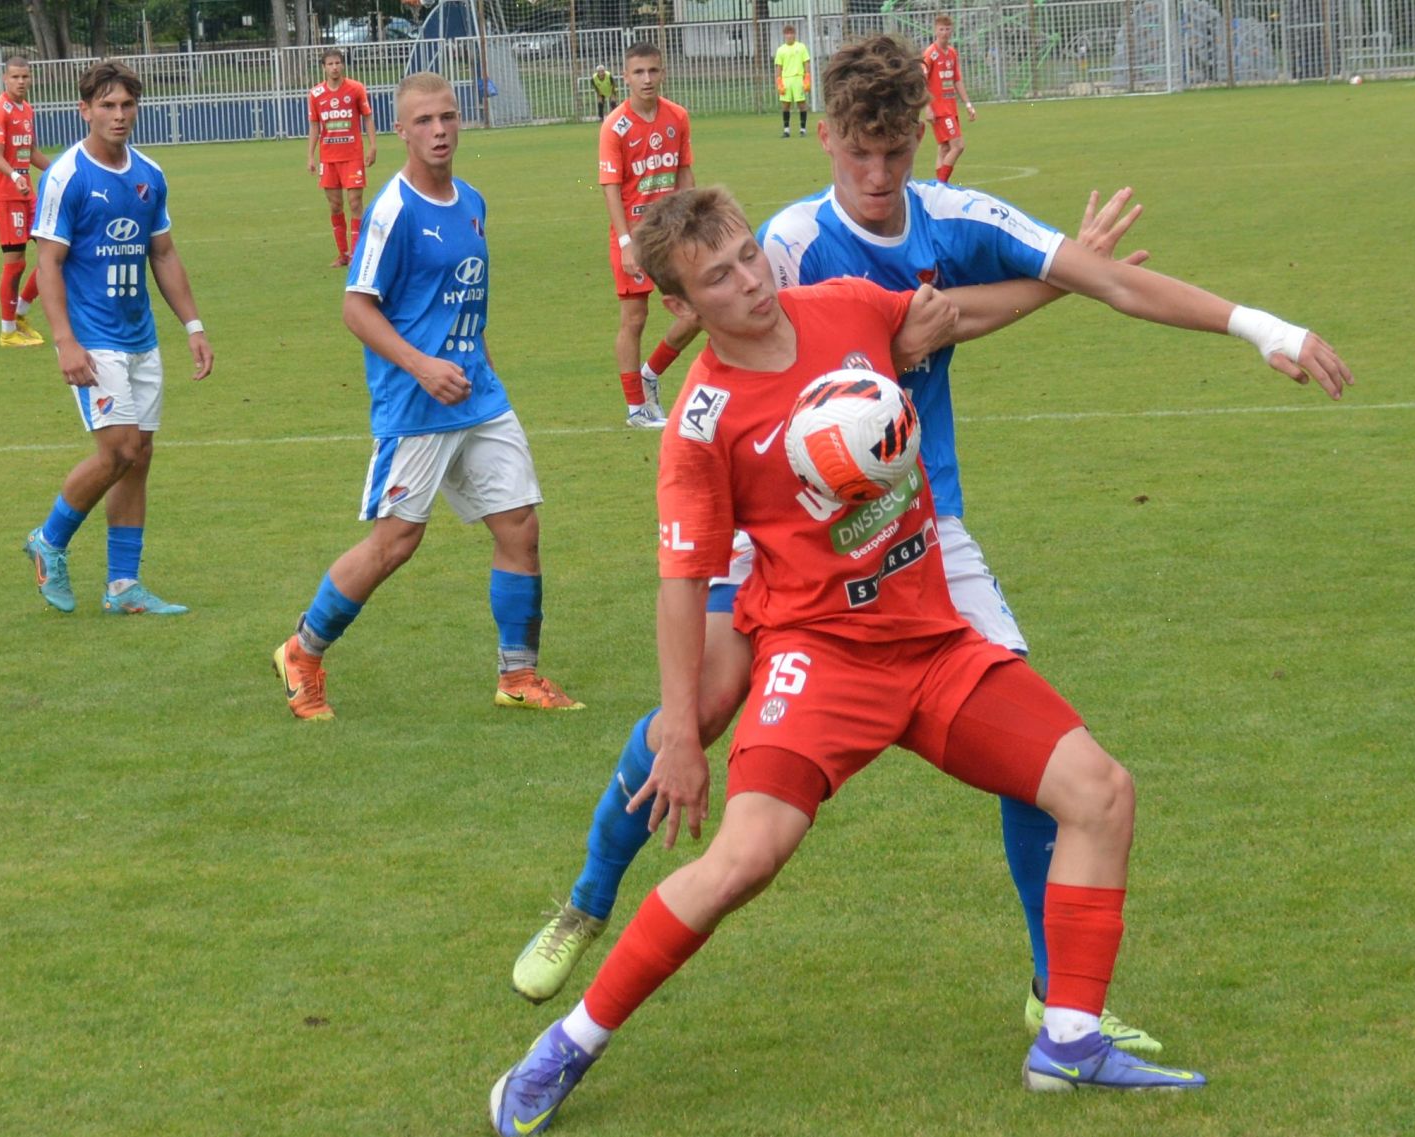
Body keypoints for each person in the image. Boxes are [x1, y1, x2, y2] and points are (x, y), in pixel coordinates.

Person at [508, 31, 1352, 1054]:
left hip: (916, 522)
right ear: (822, 141)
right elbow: (711, 339)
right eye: (855, 156)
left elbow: (1060, 297)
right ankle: (588, 901)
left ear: (922, 141)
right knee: (704, 700)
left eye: (894, 155)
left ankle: (1057, 1001)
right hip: (760, 524)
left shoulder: (953, 218)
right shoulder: (777, 249)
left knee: (1032, 745)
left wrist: (1262, 327)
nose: (874, 178)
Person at [489, 188, 1223, 1135]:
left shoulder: (843, 304)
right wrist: (679, 730)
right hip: (822, 660)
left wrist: (1064, 273)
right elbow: (684, 581)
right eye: (720, 276)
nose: (752, 280)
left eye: (750, 255)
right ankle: (564, 1050)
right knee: (744, 859)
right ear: (683, 306)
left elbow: (951, 315)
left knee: (1100, 790)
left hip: (936, 645)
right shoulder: (703, 424)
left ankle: (1069, 1041)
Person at [272, 72, 583, 721]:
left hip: (479, 394)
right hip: (417, 403)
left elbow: (464, 302)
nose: (439, 130)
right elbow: (356, 308)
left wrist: (484, 371)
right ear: (400, 131)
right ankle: (303, 649)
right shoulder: (393, 210)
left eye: (447, 117)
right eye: (424, 121)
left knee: (520, 525)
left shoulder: (472, 201)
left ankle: (518, 674)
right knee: (396, 542)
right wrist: (421, 367)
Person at [22, 61, 214, 617]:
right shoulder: (66, 175)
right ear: (85, 110)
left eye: (127, 105)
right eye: (106, 105)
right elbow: (50, 262)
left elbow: (164, 252)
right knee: (119, 450)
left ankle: (123, 585)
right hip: (92, 338)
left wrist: (194, 327)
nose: (118, 115)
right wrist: (64, 340)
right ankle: (49, 540)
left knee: (141, 456)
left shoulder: (149, 174)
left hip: (141, 337)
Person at [598, 41, 702, 429]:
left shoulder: (677, 117)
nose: (647, 79)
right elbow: (611, 187)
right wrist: (626, 243)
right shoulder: (615, 126)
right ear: (625, 77)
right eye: (639, 72)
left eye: (653, 71)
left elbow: (684, 174)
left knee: (699, 311)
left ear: (663, 72)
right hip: (634, 236)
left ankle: (651, 372)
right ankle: (635, 408)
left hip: (671, 232)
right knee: (635, 318)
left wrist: (692, 225)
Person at [0, 55, 52, 347]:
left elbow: (31, 152)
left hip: (27, 194)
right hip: (8, 195)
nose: (21, 82)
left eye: (25, 76)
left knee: (54, 253)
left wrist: (61, 172)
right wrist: (15, 177)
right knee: (15, 265)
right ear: (5, 78)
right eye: (15, 77)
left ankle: (22, 312)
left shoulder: (27, 109)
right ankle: (8, 331)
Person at [307, 48, 378, 268]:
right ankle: (343, 254)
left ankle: (357, 254)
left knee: (355, 202)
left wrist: (372, 145)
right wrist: (310, 155)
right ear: (324, 67)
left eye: (338, 63)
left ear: (343, 65)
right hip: (328, 158)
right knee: (335, 205)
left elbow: (367, 117)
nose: (335, 67)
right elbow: (315, 125)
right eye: (330, 64)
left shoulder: (356, 89)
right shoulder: (316, 94)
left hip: (353, 156)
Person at [923, 14, 975, 183]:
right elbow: (921, 79)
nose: (944, 32)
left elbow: (957, 80)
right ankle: (941, 185)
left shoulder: (952, 53)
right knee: (958, 146)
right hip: (939, 109)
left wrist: (968, 104)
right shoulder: (931, 54)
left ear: (951, 31)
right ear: (935, 31)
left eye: (947, 29)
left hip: (950, 107)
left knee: (944, 148)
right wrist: (927, 107)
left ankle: (939, 188)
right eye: (941, 29)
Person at [773, 24, 812, 138]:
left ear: (794, 35)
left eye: (791, 33)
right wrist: (779, 81)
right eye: (787, 33)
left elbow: (806, 62)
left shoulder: (801, 47)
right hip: (786, 80)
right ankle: (786, 130)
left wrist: (807, 77)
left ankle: (803, 129)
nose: (789, 36)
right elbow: (778, 66)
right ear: (784, 35)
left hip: (798, 78)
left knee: (801, 104)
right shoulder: (781, 50)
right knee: (785, 105)